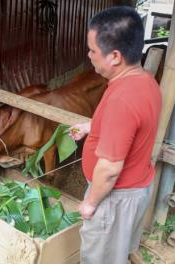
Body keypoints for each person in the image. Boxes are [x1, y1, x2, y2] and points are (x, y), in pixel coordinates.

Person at [69, 7, 162, 264]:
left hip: (114, 200)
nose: (89, 56)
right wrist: (93, 127)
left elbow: (109, 169)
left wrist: (90, 203)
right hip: (136, 188)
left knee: (100, 259)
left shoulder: (122, 99)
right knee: (119, 254)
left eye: (93, 50)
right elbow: (133, 125)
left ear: (115, 56)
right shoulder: (144, 81)